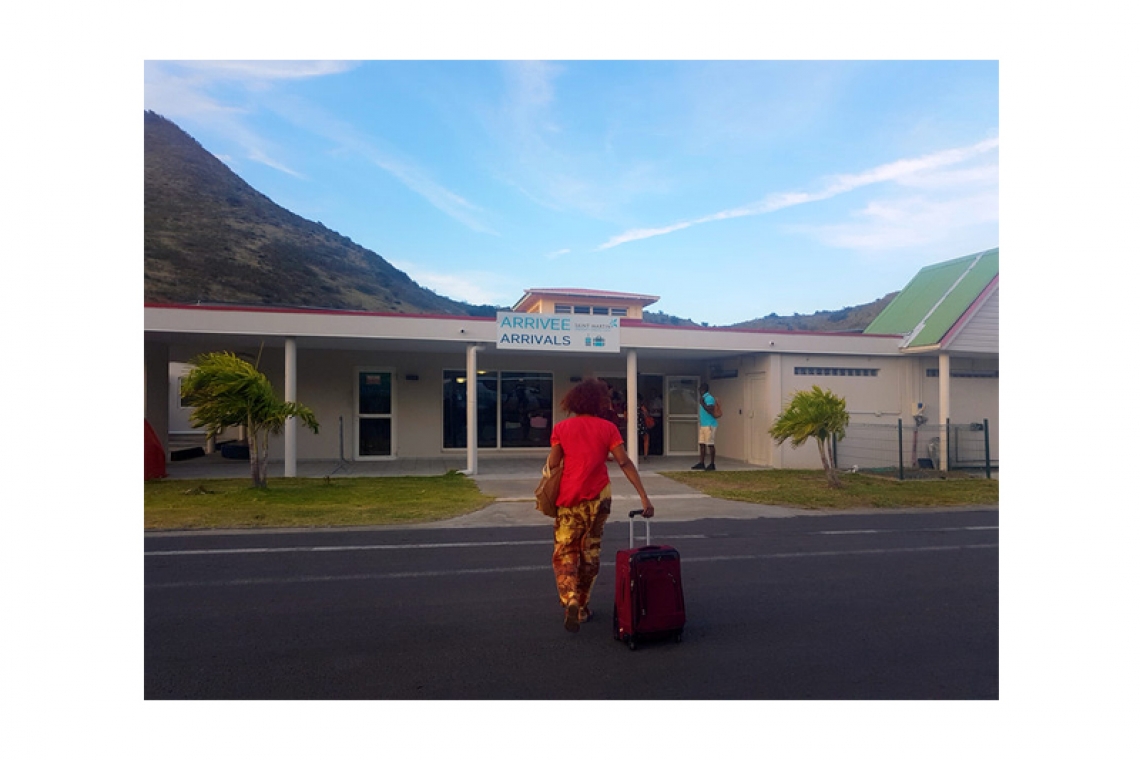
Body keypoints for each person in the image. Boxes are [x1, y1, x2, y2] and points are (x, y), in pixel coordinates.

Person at [546, 379, 656, 633]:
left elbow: (553, 464)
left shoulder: (561, 428)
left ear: (573, 402)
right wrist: (644, 497)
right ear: (599, 403)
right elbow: (625, 463)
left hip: (569, 498)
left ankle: (570, 598)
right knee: (590, 550)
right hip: (599, 498)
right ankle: (583, 607)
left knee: (565, 551)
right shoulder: (608, 428)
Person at [692, 382, 718, 471]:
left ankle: (712, 464)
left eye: (700, 389)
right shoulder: (703, 398)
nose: (699, 391)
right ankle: (701, 463)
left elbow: (710, 410)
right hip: (703, 424)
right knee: (701, 443)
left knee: (710, 444)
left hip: (710, 424)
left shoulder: (709, 398)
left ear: (703, 389)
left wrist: (703, 403)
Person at [636, 393, 650, 458]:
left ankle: (635, 454)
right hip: (641, 425)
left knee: (636, 440)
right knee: (646, 438)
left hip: (634, 425)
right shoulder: (641, 406)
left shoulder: (628, 405)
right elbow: (646, 414)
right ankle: (645, 454)